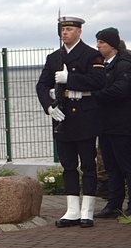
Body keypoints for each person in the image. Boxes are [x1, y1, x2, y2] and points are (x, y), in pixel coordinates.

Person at [36, 16, 106, 228]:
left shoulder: (91, 54)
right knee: (68, 165)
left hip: (84, 114)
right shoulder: (54, 57)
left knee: (87, 164)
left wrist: (71, 79)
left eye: (68, 29)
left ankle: (87, 210)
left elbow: (99, 81)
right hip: (62, 115)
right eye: (62, 29)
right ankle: (72, 209)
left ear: (79, 32)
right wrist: (49, 106)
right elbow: (41, 85)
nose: (64, 33)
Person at [92, 28, 131, 219]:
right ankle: (114, 204)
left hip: (121, 123)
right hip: (104, 123)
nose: (98, 46)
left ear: (111, 45)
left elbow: (120, 90)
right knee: (111, 166)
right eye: (98, 42)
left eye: (101, 42)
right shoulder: (101, 65)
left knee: (127, 165)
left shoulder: (124, 65)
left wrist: (93, 95)